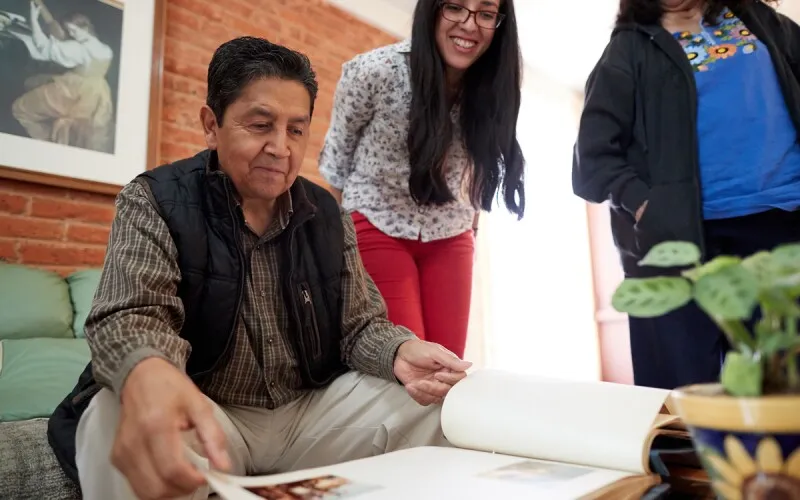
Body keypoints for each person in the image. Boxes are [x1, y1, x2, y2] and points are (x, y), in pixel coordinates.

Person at [46, 36, 472, 500]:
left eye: (295, 130)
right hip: (210, 414)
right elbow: (130, 315)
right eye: (260, 124)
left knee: (439, 405)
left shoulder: (328, 215)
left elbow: (359, 325)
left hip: (307, 413)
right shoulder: (155, 199)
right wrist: (147, 371)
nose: (280, 148)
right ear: (212, 125)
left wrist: (399, 351)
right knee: (113, 412)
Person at [572, 0, 800, 390]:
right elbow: (592, 161)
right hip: (684, 241)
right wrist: (646, 205)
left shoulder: (766, 25)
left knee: (784, 391)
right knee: (685, 405)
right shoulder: (629, 48)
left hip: (784, 228)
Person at [318, 0, 526, 359]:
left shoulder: (496, 85)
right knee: (411, 367)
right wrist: (342, 248)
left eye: (486, 13)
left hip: (450, 232)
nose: (469, 24)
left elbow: (481, 166)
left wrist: (471, 232)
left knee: (448, 366)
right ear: (432, 10)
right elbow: (336, 163)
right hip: (375, 223)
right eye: (455, 7)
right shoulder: (375, 72)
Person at [10, 1, 114, 153]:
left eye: (73, 30)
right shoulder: (105, 49)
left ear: (84, 27)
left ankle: (46, 143)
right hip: (97, 92)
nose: (72, 34)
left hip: (72, 91)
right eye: (69, 31)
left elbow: (44, 48)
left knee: (20, 108)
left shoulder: (78, 49)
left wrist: (33, 19)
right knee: (34, 84)